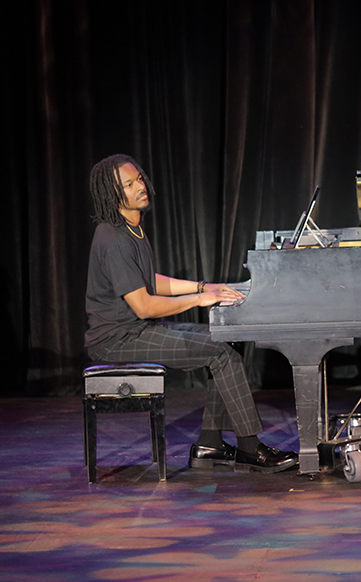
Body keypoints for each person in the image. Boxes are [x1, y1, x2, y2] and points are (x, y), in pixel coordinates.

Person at [84, 153, 298, 473]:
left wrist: (204, 287)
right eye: (128, 185)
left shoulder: (132, 229)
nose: (140, 186)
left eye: (138, 178)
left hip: (136, 329)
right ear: (113, 194)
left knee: (227, 340)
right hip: (116, 338)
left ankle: (210, 445)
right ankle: (251, 448)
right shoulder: (113, 237)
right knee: (220, 352)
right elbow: (144, 305)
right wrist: (199, 299)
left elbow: (149, 281)